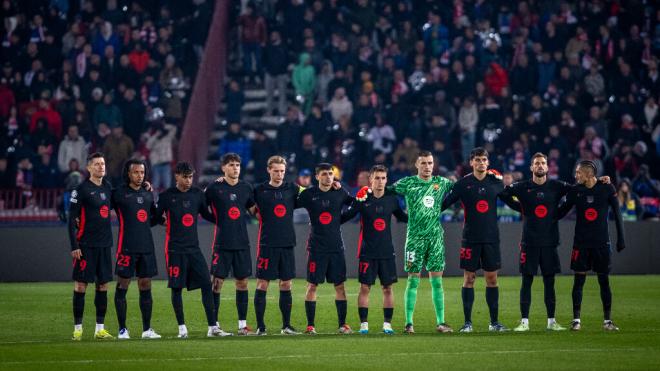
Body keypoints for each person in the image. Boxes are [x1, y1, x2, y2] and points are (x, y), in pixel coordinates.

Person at [441, 147, 514, 332]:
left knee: (491, 279)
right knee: (469, 279)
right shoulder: (463, 184)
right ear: (471, 162)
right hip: (470, 238)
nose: (481, 163)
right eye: (477, 160)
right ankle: (467, 323)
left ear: (488, 163)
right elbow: (444, 204)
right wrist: (425, 211)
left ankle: (494, 323)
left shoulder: (495, 183)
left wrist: (530, 207)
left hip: (491, 238)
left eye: (484, 160)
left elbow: (512, 200)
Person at [154, 162, 227, 338]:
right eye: (185, 177)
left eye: (191, 177)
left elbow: (206, 214)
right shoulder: (166, 196)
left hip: (193, 248)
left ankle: (212, 327)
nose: (188, 180)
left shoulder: (197, 194)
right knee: (176, 288)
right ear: (176, 176)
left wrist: (224, 219)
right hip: (174, 249)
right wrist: (164, 222)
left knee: (206, 284)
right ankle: (182, 328)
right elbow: (156, 217)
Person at [556, 161, 626, 331]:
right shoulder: (576, 191)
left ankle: (607, 321)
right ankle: (576, 321)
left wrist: (621, 238)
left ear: (588, 174)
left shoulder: (607, 188)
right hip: (581, 244)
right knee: (578, 281)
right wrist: (540, 212)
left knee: (604, 281)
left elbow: (617, 214)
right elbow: (560, 212)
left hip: (602, 243)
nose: (575, 175)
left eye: (578, 172)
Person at [389, 151, 454, 333]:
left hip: (435, 239)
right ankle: (409, 323)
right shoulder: (408, 183)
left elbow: (460, 188)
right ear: (416, 165)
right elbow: (385, 191)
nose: (427, 166)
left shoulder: (441, 183)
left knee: (437, 281)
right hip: (414, 239)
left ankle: (441, 322)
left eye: (430, 163)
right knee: (413, 280)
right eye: (423, 163)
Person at [342, 165, 408, 335]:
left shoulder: (392, 200)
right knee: (365, 288)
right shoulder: (363, 199)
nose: (380, 181)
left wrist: (422, 216)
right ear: (370, 180)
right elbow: (346, 216)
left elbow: (403, 217)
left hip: (386, 252)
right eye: (377, 178)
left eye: (383, 178)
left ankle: (387, 324)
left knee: (388, 288)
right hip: (367, 252)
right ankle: (364, 324)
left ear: (386, 180)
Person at [297, 163, 353, 334]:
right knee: (312, 286)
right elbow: (289, 204)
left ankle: (342, 324)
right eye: (325, 174)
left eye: (330, 174)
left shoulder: (340, 192)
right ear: (317, 177)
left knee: (340, 286)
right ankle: (310, 325)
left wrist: (338, 220)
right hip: (316, 247)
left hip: (336, 247)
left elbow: (355, 205)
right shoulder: (309, 194)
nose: (329, 177)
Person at [205, 153, 256, 336]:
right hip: (222, 243)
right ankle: (214, 326)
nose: (235, 168)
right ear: (223, 168)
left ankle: (242, 325)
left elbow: (254, 211)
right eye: (232, 165)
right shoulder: (214, 188)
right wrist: (217, 220)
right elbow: (202, 207)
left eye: (238, 165)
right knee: (217, 283)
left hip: (241, 242)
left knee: (242, 283)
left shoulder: (246, 188)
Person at [252, 156, 302, 335]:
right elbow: (244, 200)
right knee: (262, 283)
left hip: (287, 243)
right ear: (268, 170)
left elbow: (312, 194)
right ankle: (260, 327)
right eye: (276, 171)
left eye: (282, 171)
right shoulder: (259, 190)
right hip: (267, 243)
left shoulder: (292, 188)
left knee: (286, 284)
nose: (279, 174)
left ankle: (286, 326)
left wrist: (333, 185)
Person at [111, 159, 161, 339]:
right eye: (136, 172)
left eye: (142, 172)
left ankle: (147, 329)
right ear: (128, 174)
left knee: (146, 285)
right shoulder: (117, 194)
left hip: (146, 247)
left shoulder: (148, 194)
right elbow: (100, 208)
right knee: (122, 285)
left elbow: (153, 219)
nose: (139, 176)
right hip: (126, 247)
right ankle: (122, 329)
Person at [68, 152, 114, 340]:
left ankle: (99, 329)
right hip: (85, 246)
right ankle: (78, 329)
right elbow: (71, 220)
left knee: (102, 286)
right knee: (81, 285)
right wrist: (74, 245)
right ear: (88, 168)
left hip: (104, 245)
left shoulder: (108, 188)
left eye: (103, 164)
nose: (101, 167)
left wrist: (144, 186)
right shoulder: (81, 190)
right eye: (96, 164)